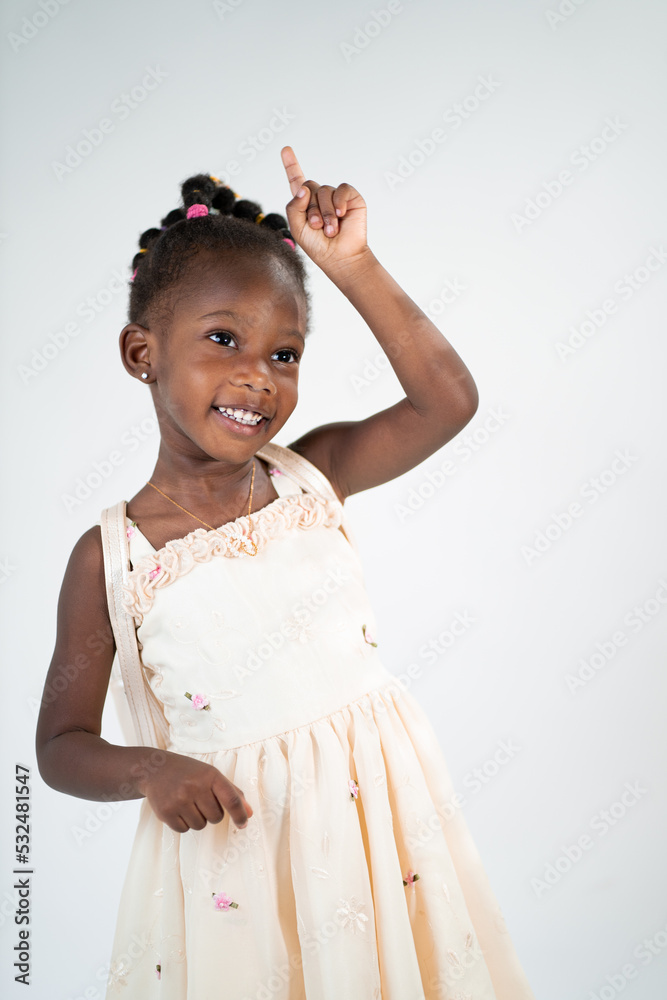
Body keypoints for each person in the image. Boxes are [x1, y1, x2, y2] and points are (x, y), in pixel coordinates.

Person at [36, 146, 535, 999]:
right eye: (223, 339)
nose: (256, 376)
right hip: (241, 861)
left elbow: (446, 400)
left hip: (381, 829)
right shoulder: (113, 557)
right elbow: (59, 746)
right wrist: (151, 771)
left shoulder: (313, 475)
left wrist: (353, 264)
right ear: (141, 351)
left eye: (285, 354)